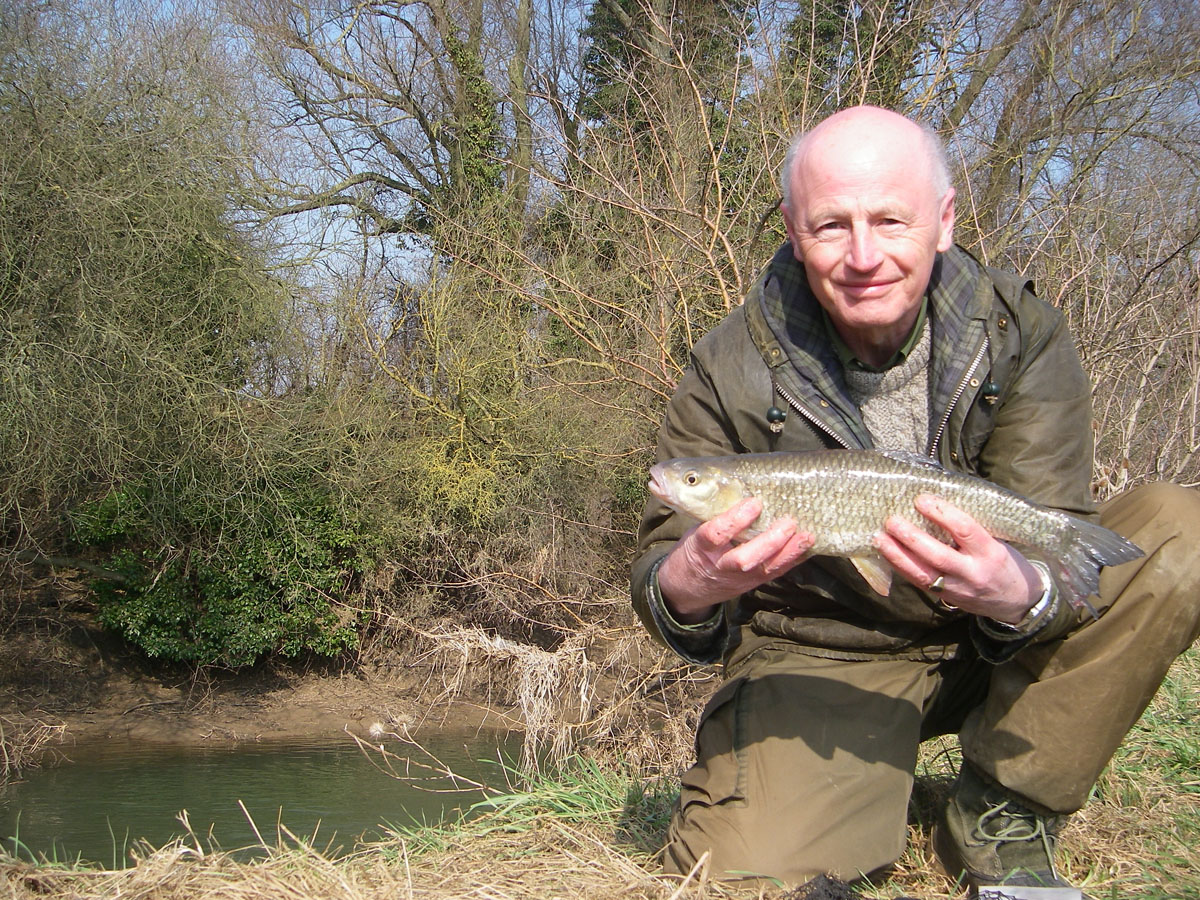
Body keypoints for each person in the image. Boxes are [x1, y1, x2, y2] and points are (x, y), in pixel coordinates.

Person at [630, 105, 1200, 893]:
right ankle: (858, 781)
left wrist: (1022, 593)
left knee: (1179, 530)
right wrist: (691, 580)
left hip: (996, 635)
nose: (864, 256)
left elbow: (1053, 521)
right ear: (793, 230)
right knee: (742, 874)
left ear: (944, 219)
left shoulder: (1022, 333)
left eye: (891, 220)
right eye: (832, 226)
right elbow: (658, 569)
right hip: (830, 654)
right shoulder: (727, 363)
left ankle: (1004, 804)